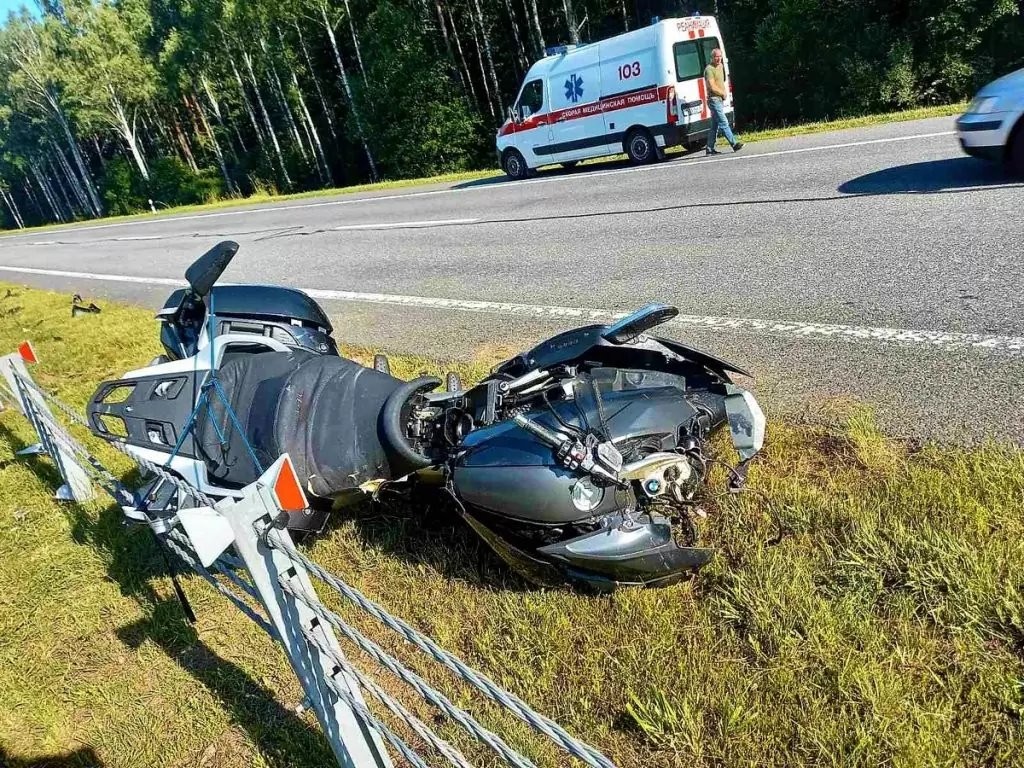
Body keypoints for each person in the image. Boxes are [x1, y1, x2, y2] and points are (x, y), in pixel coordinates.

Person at [704, 48, 743, 155]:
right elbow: (712, 86)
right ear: (711, 57)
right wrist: (723, 93)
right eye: (716, 56)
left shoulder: (721, 66)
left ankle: (709, 148)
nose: (718, 58)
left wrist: (724, 94)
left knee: (714, 126)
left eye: (720, 56)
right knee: (724, 122)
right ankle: (734, 144)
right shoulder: (709, 69)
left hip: (720, 100)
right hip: (714, 100)